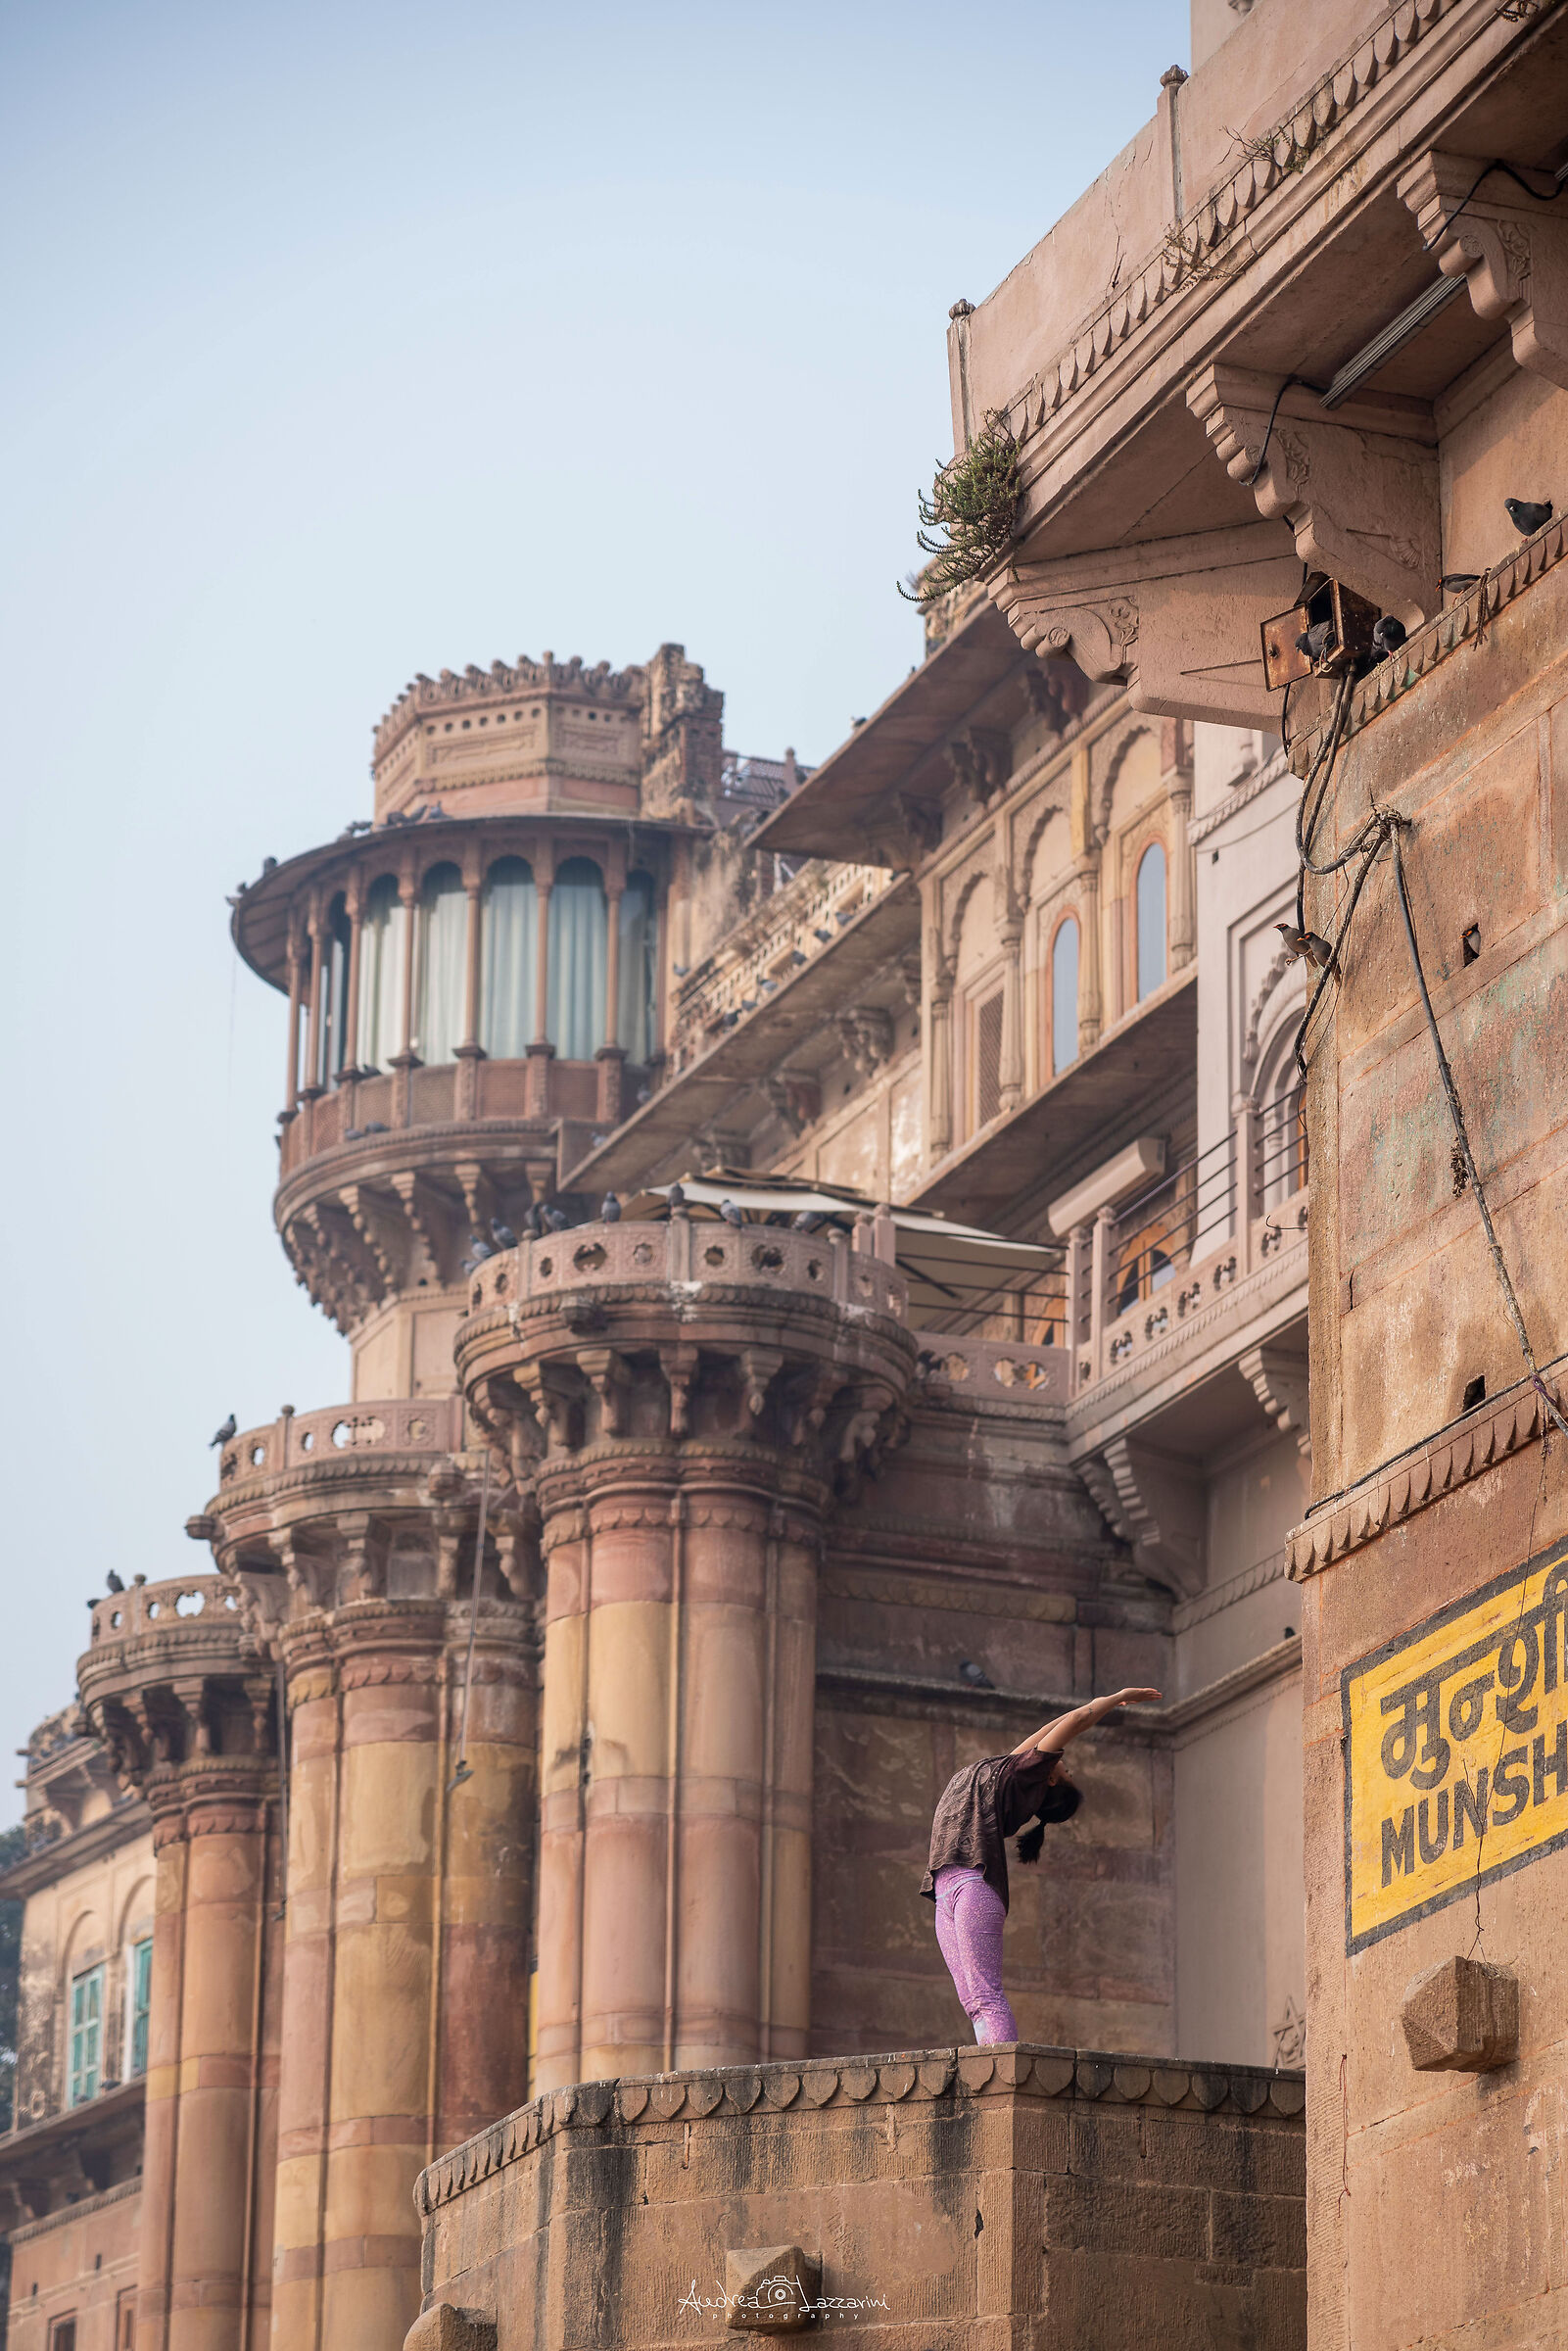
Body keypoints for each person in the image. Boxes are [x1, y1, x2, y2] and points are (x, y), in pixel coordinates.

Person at [922, 1686, 1162, 2045]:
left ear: (1049, 1778)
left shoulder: (1024, 1774)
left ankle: (1002, 2073)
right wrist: (1097, 1706)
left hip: (973, 1886)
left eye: (1066, 1771)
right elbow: (1060, 1722)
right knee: (972, 1999)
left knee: (985, 1995)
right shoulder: (1008, 1771)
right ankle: (992, 2066)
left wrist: (1116, 1698)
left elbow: (1077, 1722)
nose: (1068, 1764)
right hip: (945, 1892)